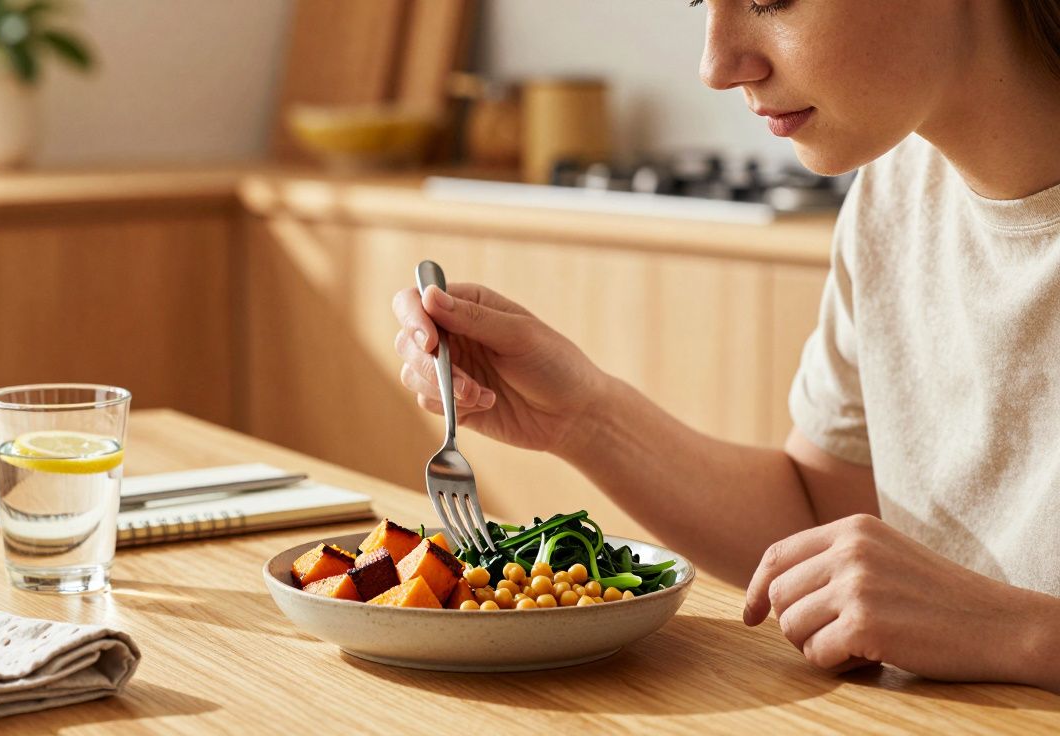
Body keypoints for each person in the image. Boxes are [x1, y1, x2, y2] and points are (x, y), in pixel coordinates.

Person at [392, 0, 1060, 691]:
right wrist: (584, 417)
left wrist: (1016, 633)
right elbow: (821, 515)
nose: (715, 68)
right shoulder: (897, 193)